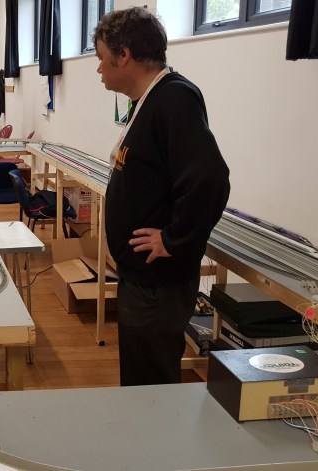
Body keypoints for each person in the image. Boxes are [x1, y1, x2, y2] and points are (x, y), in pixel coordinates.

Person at [93, 8, 230, 386]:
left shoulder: (174, 99)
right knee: (140, 375)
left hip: (158, 282)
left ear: (124, 55)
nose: (99, 68)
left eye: (102, 58)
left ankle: (154, 428)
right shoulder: (150, 99)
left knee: (150, 380)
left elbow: (210, 178)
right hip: (142, 277)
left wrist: (174, 239)